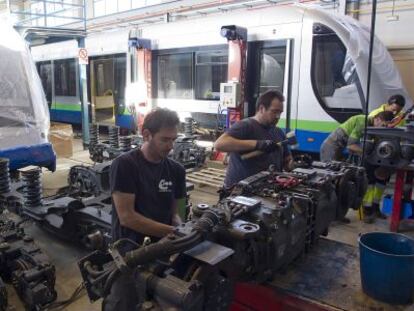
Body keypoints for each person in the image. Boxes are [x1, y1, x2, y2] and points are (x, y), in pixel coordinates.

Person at [103, 108, 186, 311]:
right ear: (146, 135)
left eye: (173, 139)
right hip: (129, 251)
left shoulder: (176, 170)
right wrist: (174, 233)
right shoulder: (125, 165)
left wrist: (180, 224)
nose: (171, 146)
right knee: (124, 303)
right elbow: (127, 218)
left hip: (164, 249)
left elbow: (178, 211)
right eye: (165, 140)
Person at [214, 90, 292, 189]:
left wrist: (292, 164)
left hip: (267, 190)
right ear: (261, 108)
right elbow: (219, 144)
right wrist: (257, 144)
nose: (278, 117)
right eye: (274, 112)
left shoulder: (279, 132)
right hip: (240, 191)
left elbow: (287, 161)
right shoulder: (246, 126)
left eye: (280, 113)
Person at [320, 111, 394, 162]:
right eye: (383, 125)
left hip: (338, 148)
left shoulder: (370, 123)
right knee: (329, 174)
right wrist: (366, 153)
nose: (382, 128)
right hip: (330, 147)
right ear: (378, 119)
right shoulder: (363, 123)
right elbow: (351, 145)